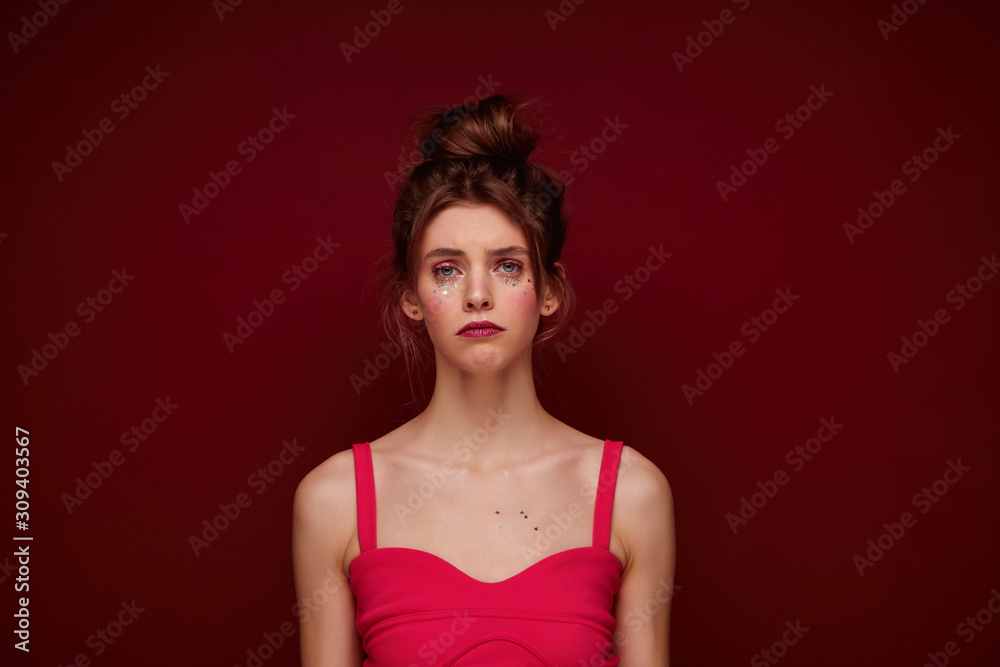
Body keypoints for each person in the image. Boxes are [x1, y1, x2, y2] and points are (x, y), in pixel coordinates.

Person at [292, 93, 675, 666]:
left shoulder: (632, 494)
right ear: (410, 297)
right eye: (446, 269)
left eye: (508, 265)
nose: (477, 294)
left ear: (549, 290)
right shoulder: (333, 500)